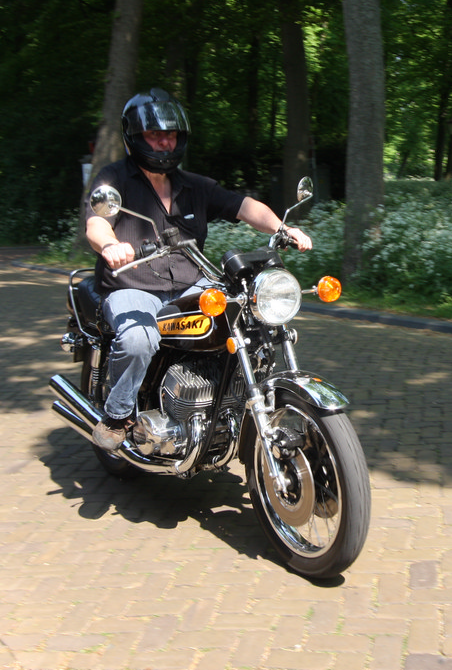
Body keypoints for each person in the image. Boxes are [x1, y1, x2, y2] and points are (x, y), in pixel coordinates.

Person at [86, 88, 312, 451]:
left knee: (246, 316)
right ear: (135, 137)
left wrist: (282, 228)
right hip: (132, 285)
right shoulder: (114, 180)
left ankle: (225, 402)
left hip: (191, 284)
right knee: (139, 339)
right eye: (155, 135)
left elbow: (244, 206)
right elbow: (97, 223)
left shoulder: (194, 186)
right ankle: (118, 413)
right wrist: (110, 245)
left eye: (171, 135)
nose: (164, 142)